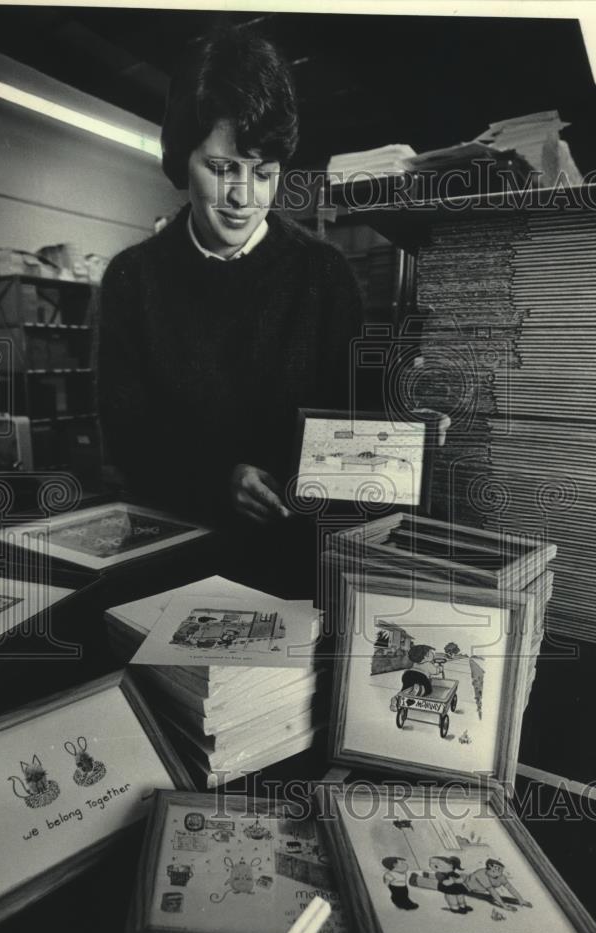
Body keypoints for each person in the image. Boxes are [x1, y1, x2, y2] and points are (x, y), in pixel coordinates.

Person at [98, 24, 363, 546]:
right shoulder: (132, 280)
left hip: (297, 558)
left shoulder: (325, 276)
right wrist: (217, 479)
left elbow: (355, 430)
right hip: (170, 547)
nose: (243, 195)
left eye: (262, 172)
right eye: (221, 168)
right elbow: (127, 439)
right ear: (182, 160)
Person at [465, 858, 532, 910]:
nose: (500, 871)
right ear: (490, 867)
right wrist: (504, 906)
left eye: (500, 870)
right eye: (497, 869)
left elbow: (510, 887)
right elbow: (493, 892)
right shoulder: (481, 874)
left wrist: (521, 900)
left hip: (477, 890)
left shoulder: (500, 876)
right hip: (465, 887)